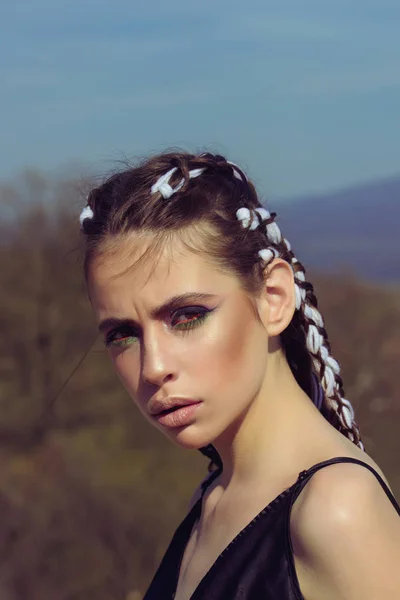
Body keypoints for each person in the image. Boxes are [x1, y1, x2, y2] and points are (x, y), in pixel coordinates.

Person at [79, 151, 400, 600]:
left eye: (187, 315)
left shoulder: (336, 512)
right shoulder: (212, 498)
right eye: (123, 334)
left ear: (273, 298)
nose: (153, 367)